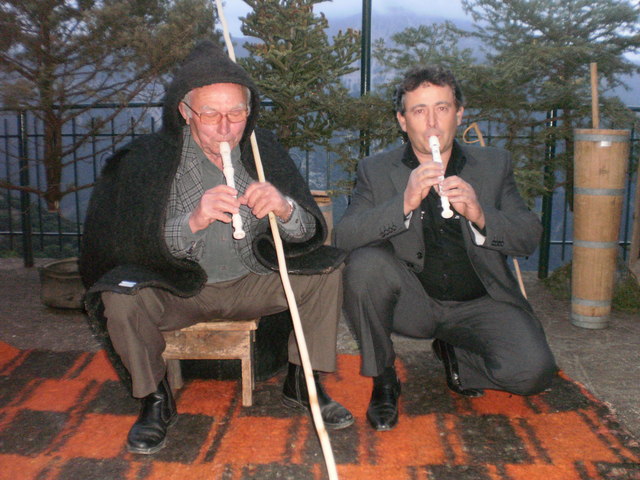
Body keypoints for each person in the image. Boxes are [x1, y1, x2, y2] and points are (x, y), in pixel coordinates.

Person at [79, 40, 353, 455]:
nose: (225, 128)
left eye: (236, 113)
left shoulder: (262, 150)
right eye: (210, 114)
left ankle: (304, 381)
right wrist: (193, 221)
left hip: (251, 279)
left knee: (326, 271)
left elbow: (306, 235)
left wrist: (284, 208)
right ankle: (154, 400)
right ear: (185, 111)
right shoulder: (149, 158)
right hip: (178, 287)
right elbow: (125, 244)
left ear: (249, 111)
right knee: (120, 296)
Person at [334, 66, 557, 432]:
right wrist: (403, 203)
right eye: (419, 110)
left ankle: (457, 357)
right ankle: (384, 378)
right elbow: (343, 237)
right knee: (363, 265)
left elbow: (529, 235)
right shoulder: (376, 170)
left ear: (459, 114)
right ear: (403, 121)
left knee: (533, 373)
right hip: (414, 304)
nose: (432, 122)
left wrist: (481, 214)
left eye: (442, 108)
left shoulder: (493, 164)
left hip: (480, 302)